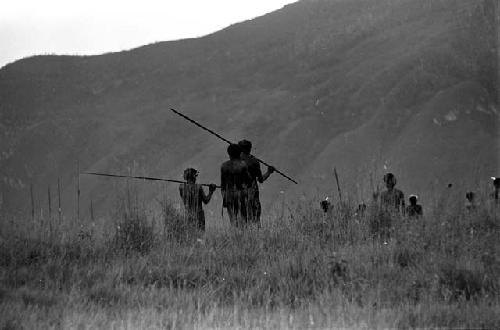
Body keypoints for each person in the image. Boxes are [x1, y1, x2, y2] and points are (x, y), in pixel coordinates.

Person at [238, 139, 275, 225]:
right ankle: (256, 234)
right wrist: (269, 171)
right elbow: (261, 179)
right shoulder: (254, 162)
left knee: (242, 218)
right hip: (252, 193)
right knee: (255, 218)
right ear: (250, 149)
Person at [221, 144, 253, 227]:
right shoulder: (243, 164)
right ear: (239, 153)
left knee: (233, 219)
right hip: (241, 194)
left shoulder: (224, 166)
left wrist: (224, 197)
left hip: (229, 195)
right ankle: (243, 235)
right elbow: (249, 181)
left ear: (229, 154)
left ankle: (235, 234)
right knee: (244, 218)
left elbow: (223, 184)